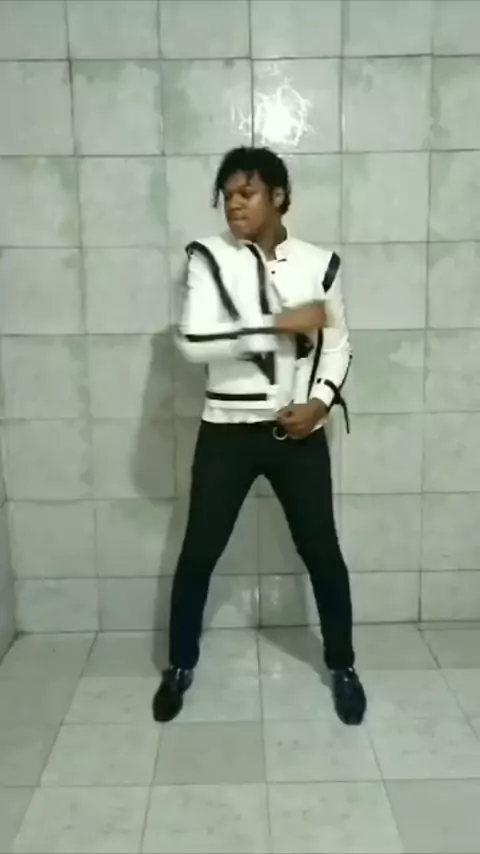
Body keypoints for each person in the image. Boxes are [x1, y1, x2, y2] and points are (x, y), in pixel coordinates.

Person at [152, 146, 366, 726]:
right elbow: (193, 340)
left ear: (278, 196)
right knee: (199, 553)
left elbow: (338, 344)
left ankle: (343, 666)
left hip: (297, 433)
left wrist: (320, 403)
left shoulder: (320, 264)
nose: (234, 204)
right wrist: (277, 323)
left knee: (322, 553)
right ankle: (179, 665)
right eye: (227, 195)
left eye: (246, 192)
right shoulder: (208, 257)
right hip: (225, 432)